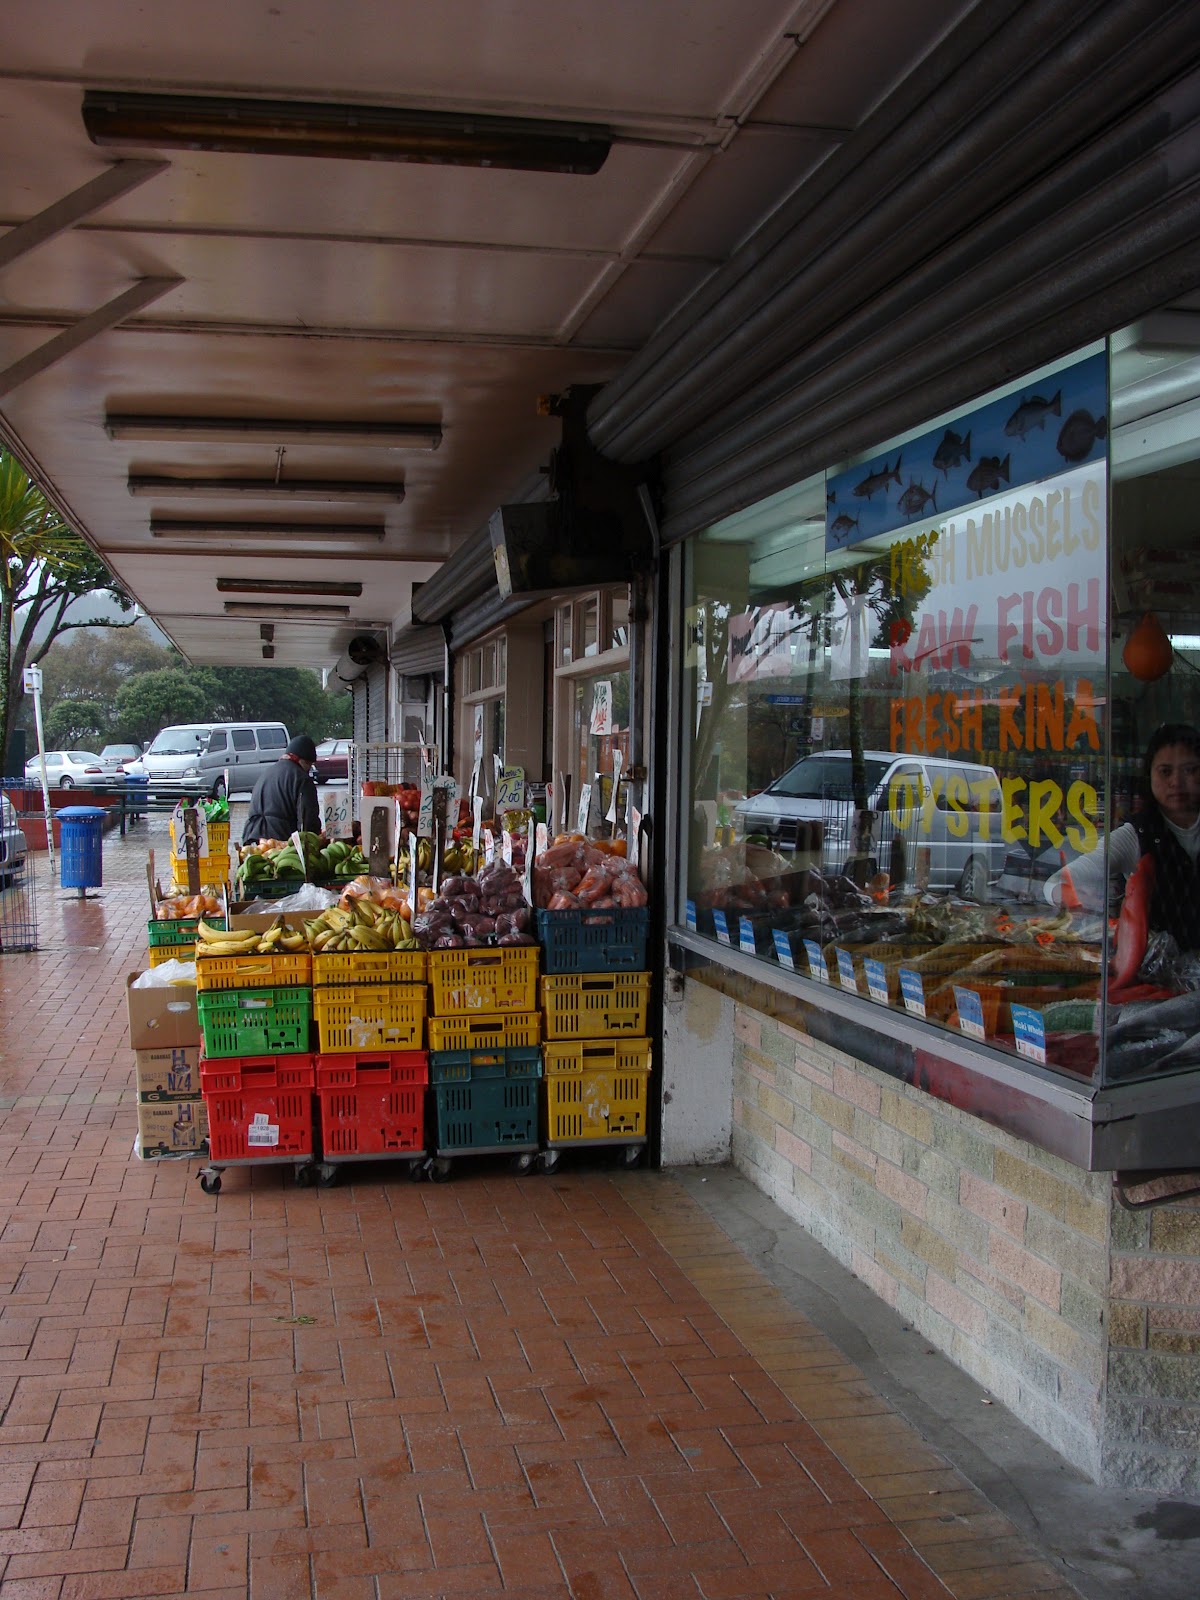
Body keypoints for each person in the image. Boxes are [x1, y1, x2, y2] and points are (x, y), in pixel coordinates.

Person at [1047, 723, 1200, 945]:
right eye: (1165, 771)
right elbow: (1055, 883)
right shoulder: (1134, 835)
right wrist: (1068, 895)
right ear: (1149, 774)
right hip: (1153, 970)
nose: (1176, 782)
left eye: (1189, 770)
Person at [242, 734, 322, 844]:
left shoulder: (267, 772)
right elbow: (307, 821)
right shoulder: (302, 779)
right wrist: (315, 840)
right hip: (280, 841)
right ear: (304, 761)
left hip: (253, 837)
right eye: (310, 764)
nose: (309, 769)